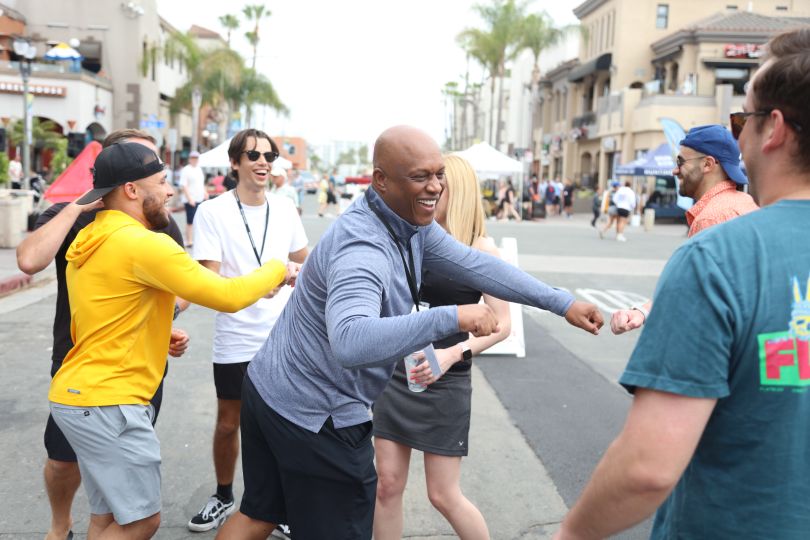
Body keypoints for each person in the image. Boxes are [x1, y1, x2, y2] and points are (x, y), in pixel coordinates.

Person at [216, 125, 603, 540]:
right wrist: (452, 317)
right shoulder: (363, 246)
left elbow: (477, 266)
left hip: (271, 389)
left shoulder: (409, 224)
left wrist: (561, 303)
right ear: (380, 180)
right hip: (313, 413)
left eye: (439, 174)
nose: (435, 186)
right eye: (420, 176)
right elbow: (350, 340)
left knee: (259, 514)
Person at [554, 27, 810, 539]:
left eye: (742, 119)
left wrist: (569, 535)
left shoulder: (718, 255)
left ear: (773, 128)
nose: (738, 134)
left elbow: (646, 468)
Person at [47, 142, 297, 539]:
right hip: (111, 401)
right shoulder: (145, 244)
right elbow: (227, 297)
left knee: (107, 519)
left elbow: (106, 313)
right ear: (131, 190)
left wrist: (157, 330)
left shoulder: (91, 237)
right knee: (142, 522)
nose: (170, 191)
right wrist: (277, 268)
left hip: (77, 396)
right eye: (162, 182)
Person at [16, 129, 190, 540]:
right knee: (62, 461)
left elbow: (184, 287)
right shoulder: (69, 215)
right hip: (77, 366)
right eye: (142, 162)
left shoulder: (159, 221)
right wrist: (79, 206)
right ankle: (60, 528)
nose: (157, 176)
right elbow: (28, 260)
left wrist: (157, 320)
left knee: (120, 498)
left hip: (135, 375)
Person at [372, 154, 512, 540]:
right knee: (386, 485)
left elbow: (502, 325)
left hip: (446, 378)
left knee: (443, 494)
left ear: (458, 189)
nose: (428, 190)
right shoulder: (412, 239)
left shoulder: (480, 249)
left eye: (438, 182)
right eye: (423, 181)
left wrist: (450, 354)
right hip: (396, 374)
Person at [188, 129, 308, 537]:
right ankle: (224, 496)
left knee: (283, 424)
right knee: (229, 422)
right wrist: (260, 281)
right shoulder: (212, 212)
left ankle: (277, 507)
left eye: (269, 155)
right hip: (236, 336)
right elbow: (208, 280)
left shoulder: (287, 208)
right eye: (253, 155)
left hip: (284, 338)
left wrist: (295, 276)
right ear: (235, 162)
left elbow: (306, 264)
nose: (263, 161)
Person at [611, 124, 759, 335]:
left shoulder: (711, 218)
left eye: (680, 162)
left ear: (708, 164)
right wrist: (643, 312)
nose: (674, 170)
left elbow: (693, 294)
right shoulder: (744, 202)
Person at [179, 151, 207, 247]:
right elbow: (183, 185)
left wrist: (205, 192)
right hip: (190, 199)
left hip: (200, 198)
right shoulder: (186, 170)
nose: (195, 160)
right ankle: (189, 240)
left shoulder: (199, 169)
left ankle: (196, 240)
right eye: (193, 158)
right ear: (190, 159)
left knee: (199, 220)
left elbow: (201, 184)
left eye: (196, 158)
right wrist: (189, 198)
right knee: (190, 221)